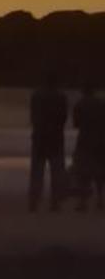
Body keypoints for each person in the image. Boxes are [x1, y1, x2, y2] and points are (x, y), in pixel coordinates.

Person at [29, 72, 68, 213]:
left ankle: (34, 201)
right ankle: (55, 202)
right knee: (57, 171)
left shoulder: (37, 96)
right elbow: (63, 118)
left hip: (40, 137)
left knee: (37, 171)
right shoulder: (61, 97)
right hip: (56, 138)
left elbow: (33, 116)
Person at [71, 82, 105, 213]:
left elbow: (76, 124)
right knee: (99, 171)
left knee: (83, 171)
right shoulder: (101, 104)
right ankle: (100, 199)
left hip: (85, 140)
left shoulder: (80, 104)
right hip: (101, 140)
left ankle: (83, 201)